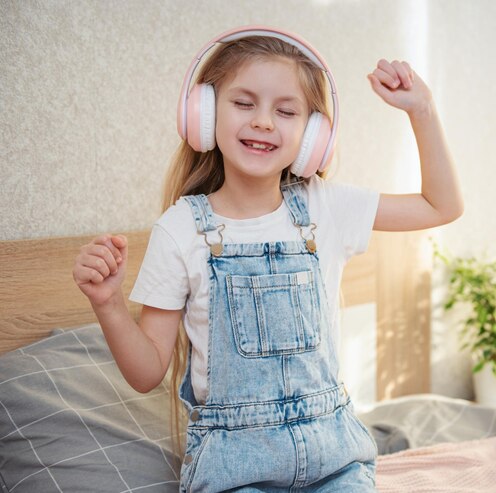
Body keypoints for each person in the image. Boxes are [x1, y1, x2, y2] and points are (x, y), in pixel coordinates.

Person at [73, 26, 463, 492]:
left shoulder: (327, 207)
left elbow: (442, 205)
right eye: (243, 103)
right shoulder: (179, 230)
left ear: (313, 135)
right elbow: (146, 372)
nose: (263, 121)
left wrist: (422, 110)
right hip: (234, 473)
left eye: (286, 111)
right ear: (204, 114)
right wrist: (108, 303)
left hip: (335, 460)